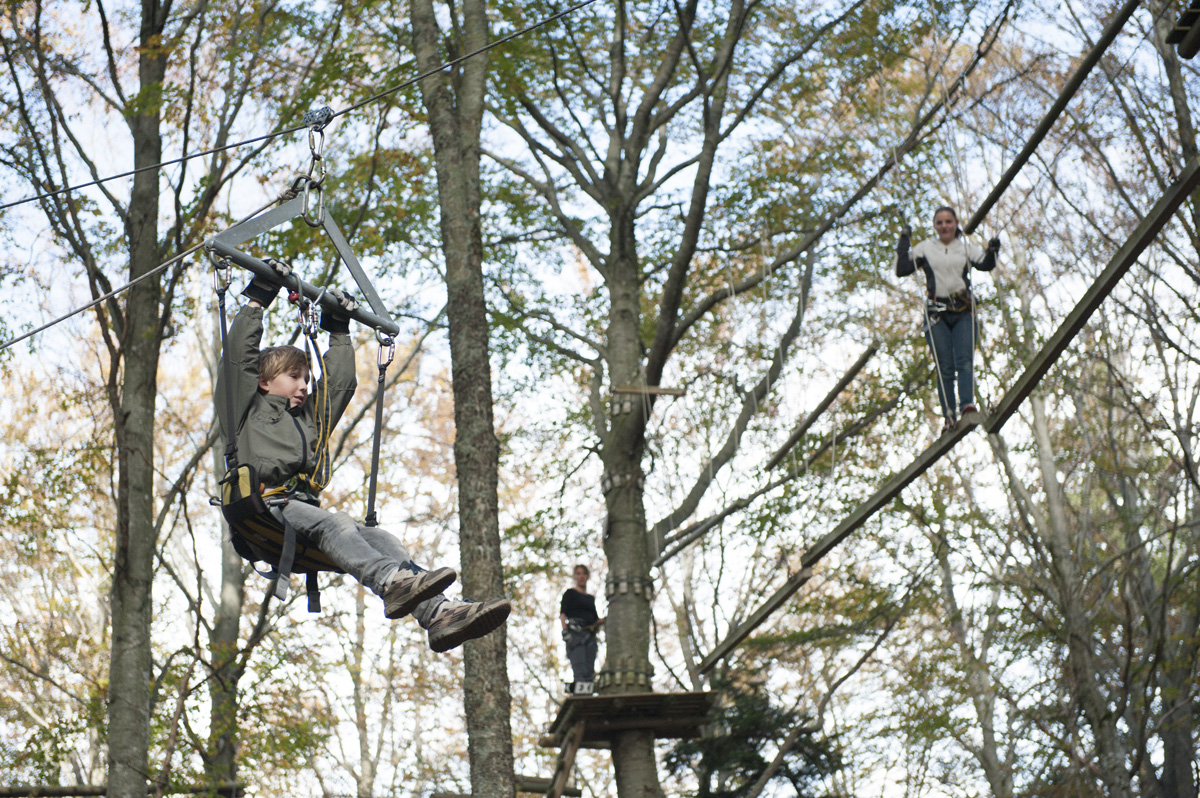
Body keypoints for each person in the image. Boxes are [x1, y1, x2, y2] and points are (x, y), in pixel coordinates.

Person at [217, 261, 510, 652]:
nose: (303, 385)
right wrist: (257, 301)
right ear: (265, 382)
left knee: (380, 536)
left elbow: (339, 384)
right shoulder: (245, 412)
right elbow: (238, 359)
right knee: (337, 522)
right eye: (293, 377)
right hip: (263, 508)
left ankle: (439, 615)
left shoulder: (307, 422)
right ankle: (391, 582)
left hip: (300, 514)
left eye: (306, 378)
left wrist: (338, 331)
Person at [896, 206, 999, 432]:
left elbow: (985, 264)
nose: (944, 226)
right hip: (936, 313)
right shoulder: (926, 248)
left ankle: (966, 404)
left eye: (948, 222)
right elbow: (902, 268)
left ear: (955, 224)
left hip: (963, 310)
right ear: (935, 226)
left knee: (964, 360)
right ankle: (949, 415)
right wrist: (904, 239)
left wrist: (993, 250)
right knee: (945, 367)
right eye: (940, 223)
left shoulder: (964, 248)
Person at [560, 564, 603, 694]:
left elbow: (595, 619)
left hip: (589, 635)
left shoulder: (590, 598)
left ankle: (587, 696)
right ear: (574, 576)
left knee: (589, 670)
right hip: (575, 634)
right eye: (578, 573)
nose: (581, 576)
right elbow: (563, 615)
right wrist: (566, 632)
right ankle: (579, 696)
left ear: (588, 576)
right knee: (580, 668)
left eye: (584, 573)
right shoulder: (570, 594)